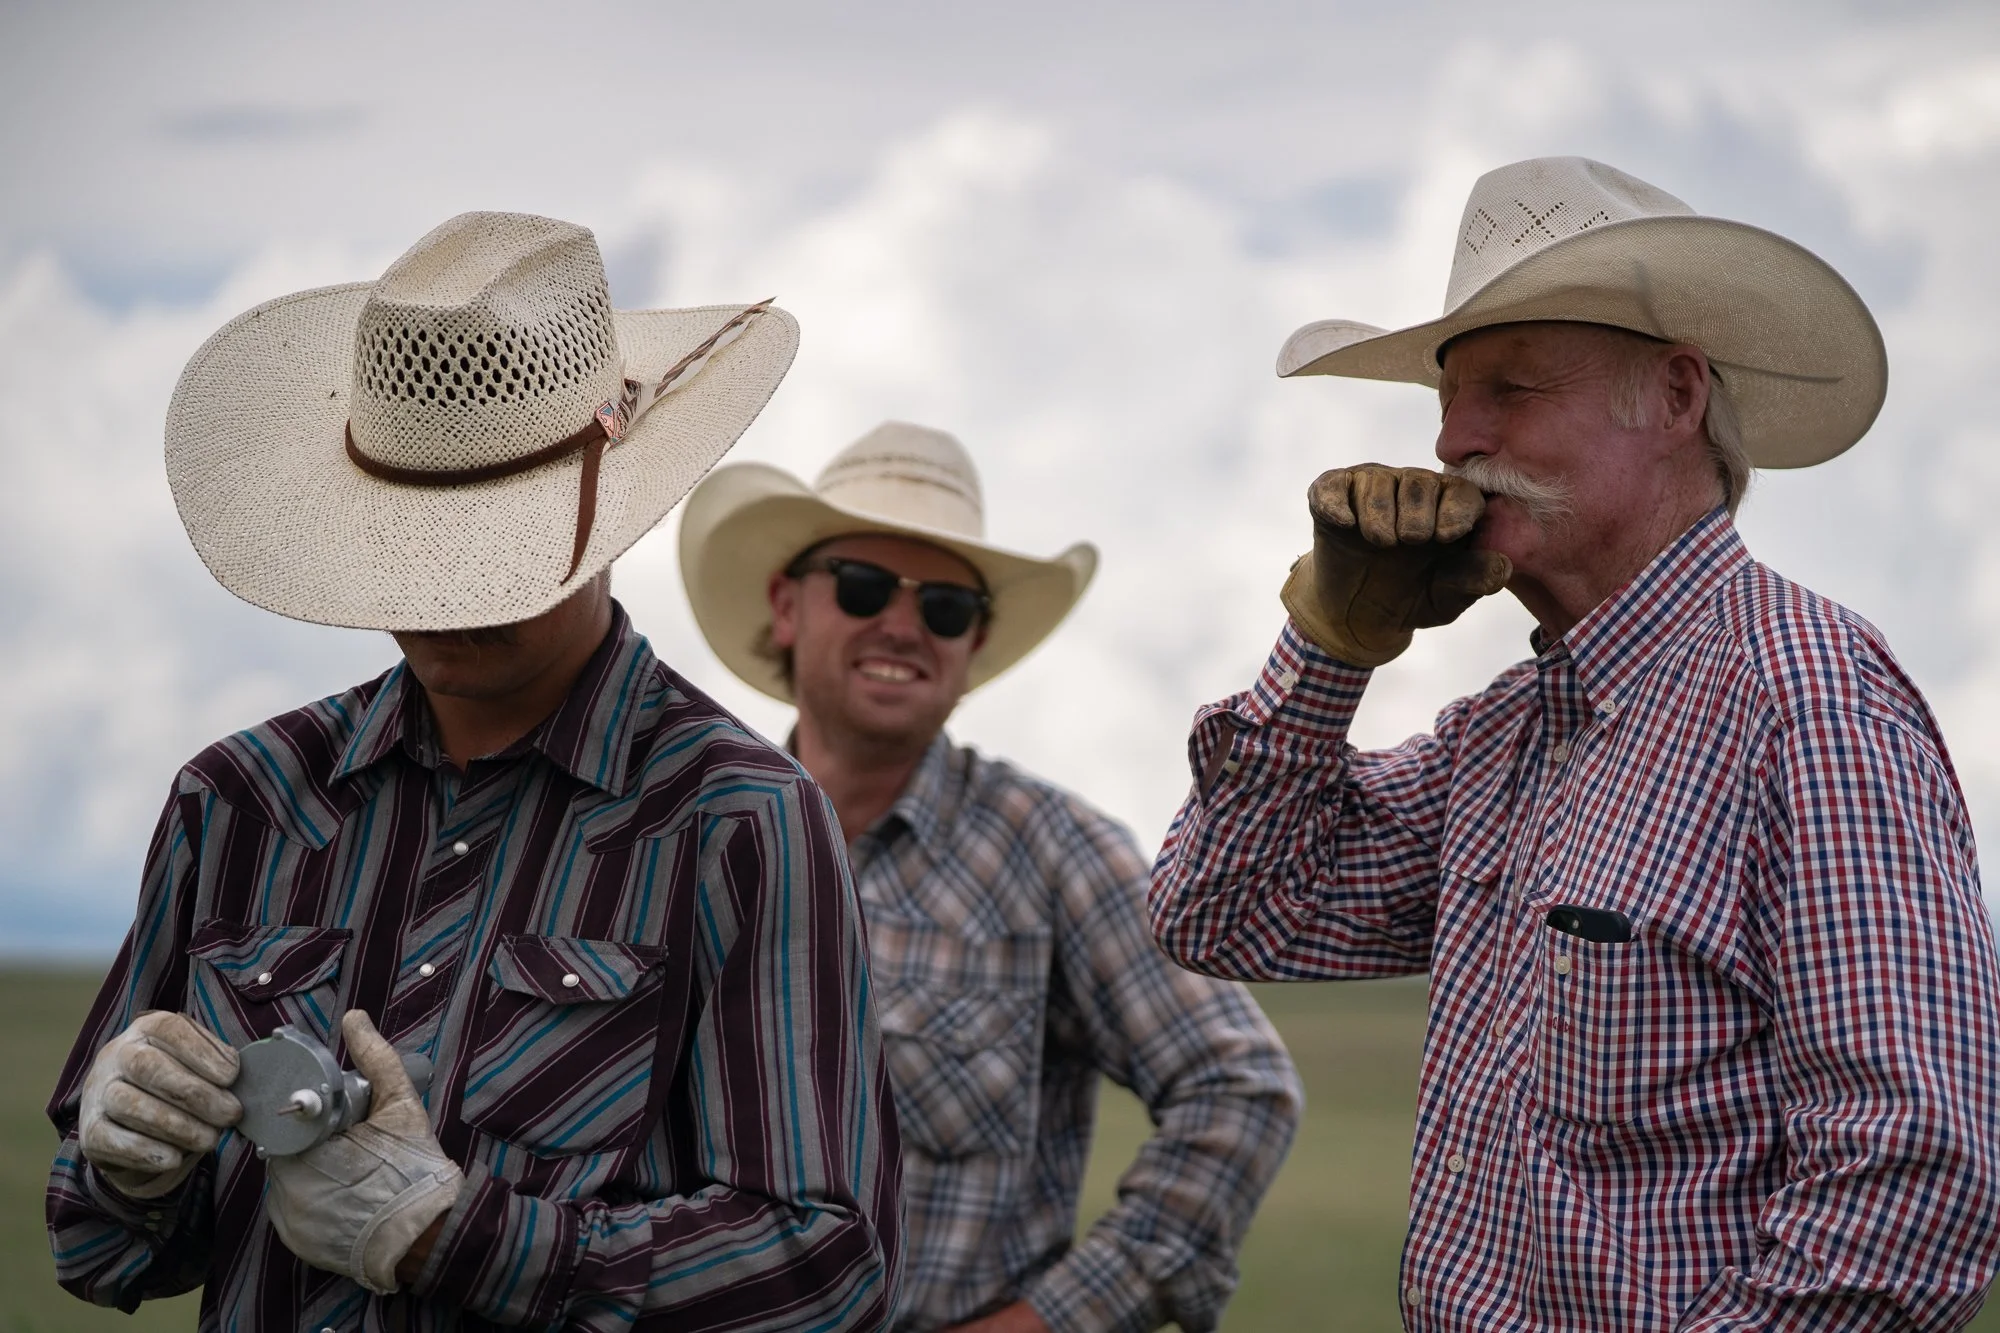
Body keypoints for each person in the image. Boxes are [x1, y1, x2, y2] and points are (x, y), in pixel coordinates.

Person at [1149, 156, 2000, 1330]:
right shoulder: (1503, 732)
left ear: (1674, 395)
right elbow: (1218, 910)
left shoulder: (1807, 701)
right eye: (1445, 400)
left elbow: (1914, 1178)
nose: (1450, 438)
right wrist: (1332, 644)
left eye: (1509, 388)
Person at [45, 211, 902, 1330]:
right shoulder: (240, 800)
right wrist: (127, 1165)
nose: (451, 601)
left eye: (494, 551)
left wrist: (462, 1236)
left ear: (610, 506)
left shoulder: (736, 819)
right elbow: (96, 1248)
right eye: (419, 547)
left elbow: (821, 1261)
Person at [678, 422, 1303, 1333]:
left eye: (944, 607)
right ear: (786, 606)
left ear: (973, 644)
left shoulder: (1053, 849)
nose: (901, 623)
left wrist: (1044, 1323)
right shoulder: (683, 838)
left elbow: (1240, 1086)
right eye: (861, 587)